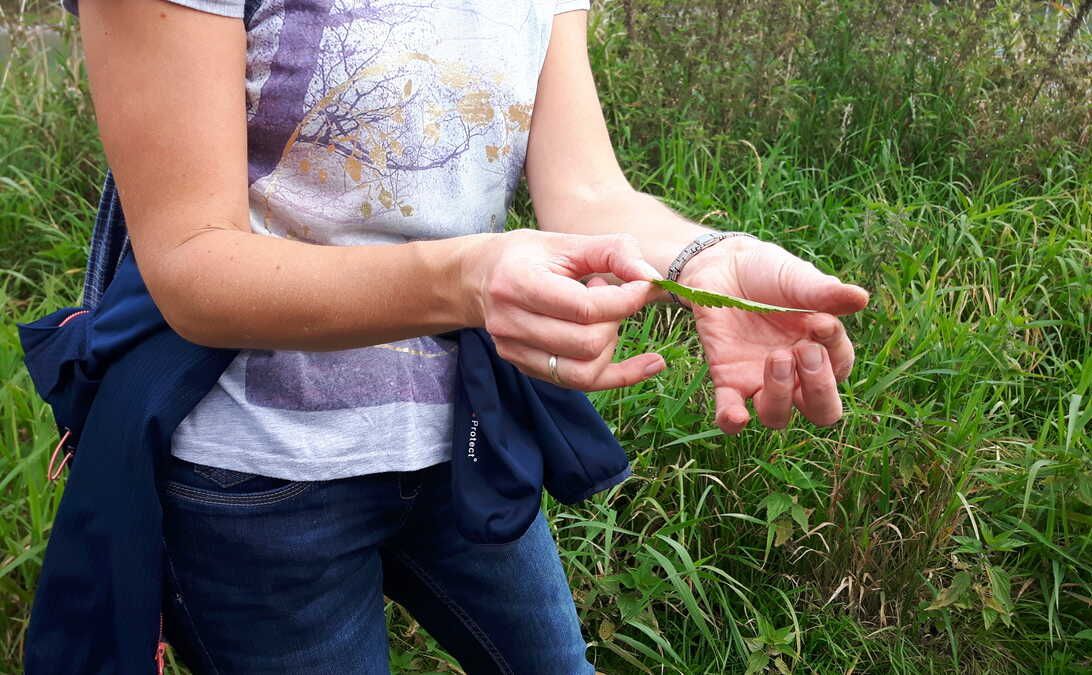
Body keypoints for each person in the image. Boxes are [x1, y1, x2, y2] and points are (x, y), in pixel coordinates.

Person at [70, 0, 869, 672]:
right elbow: (190, 266)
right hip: (255, 470)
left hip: (465, 435)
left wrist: (707, 257)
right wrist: (469, 280)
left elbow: (586, 188)